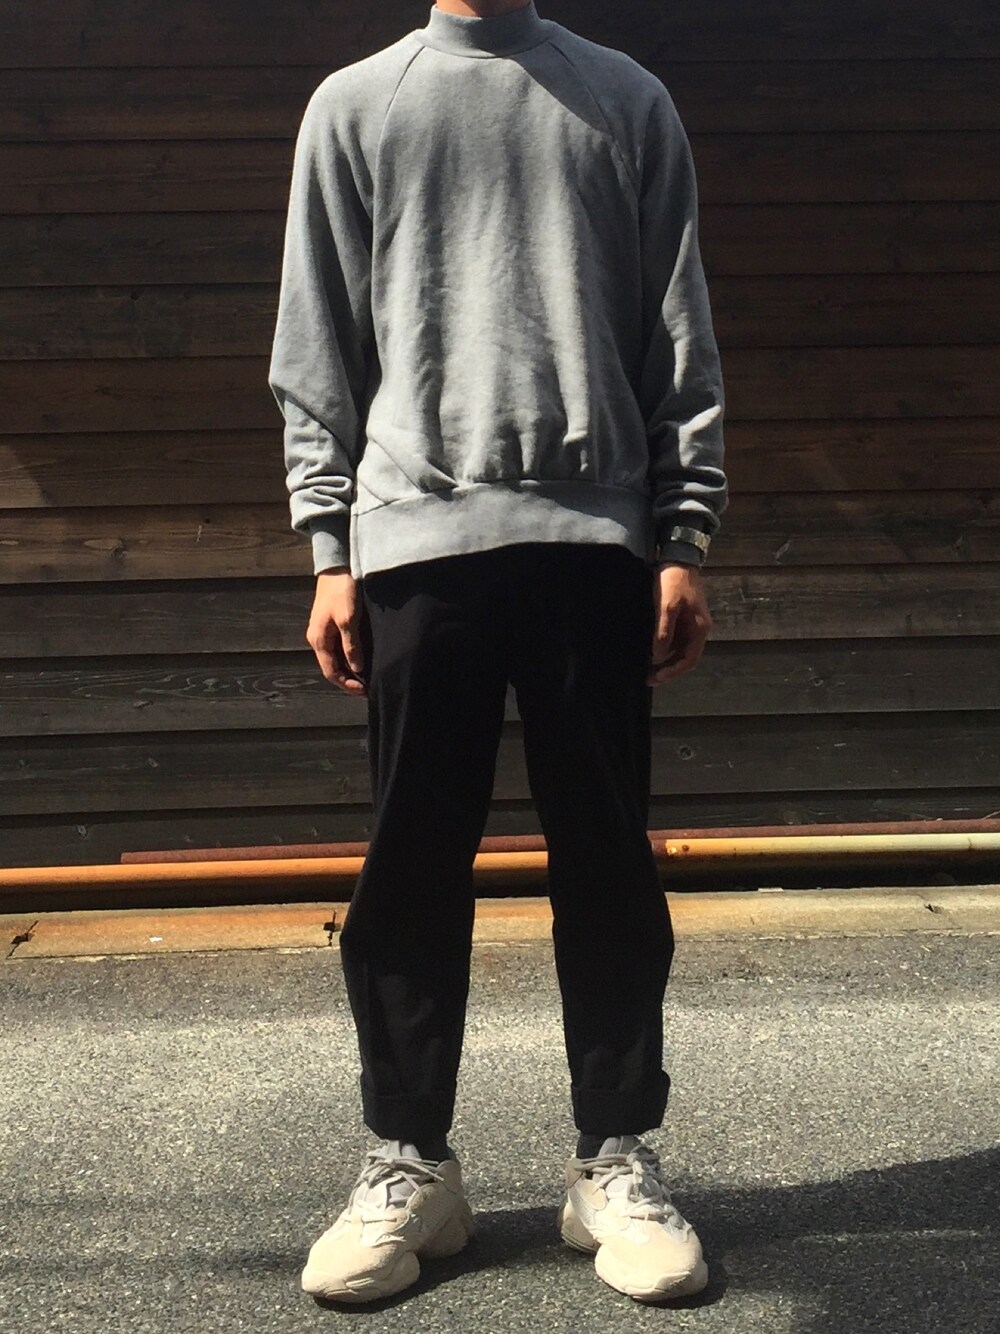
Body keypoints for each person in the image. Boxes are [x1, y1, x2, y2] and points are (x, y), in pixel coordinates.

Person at [268, 0, 727, 1307]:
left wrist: (682, 532)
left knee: (608, 859)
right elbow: (317, 339)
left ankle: (614, 1161)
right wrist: (329, 546)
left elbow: (676, 325)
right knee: (411, 864)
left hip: (594, 540)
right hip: (414, 542)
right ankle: (410, 1160)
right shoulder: (357, 105)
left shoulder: (625, 100)